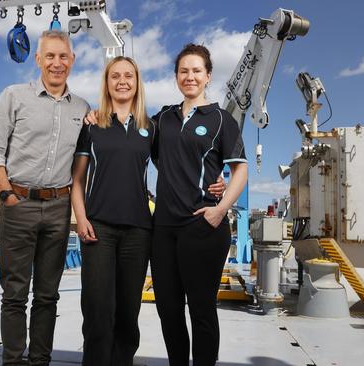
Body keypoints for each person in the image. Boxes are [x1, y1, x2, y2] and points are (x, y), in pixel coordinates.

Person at [75, 57, 225, 366]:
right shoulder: (92, 125)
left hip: (139, 232)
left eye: (129, 76)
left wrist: (215, 179)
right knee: (97, 311)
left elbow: (179, 160)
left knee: (128, 315)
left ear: (137, 82)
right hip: (98, 228)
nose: (122, 81)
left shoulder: (151, 127)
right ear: (106, 83)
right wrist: (81, 218)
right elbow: (76, 180)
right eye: (115, 76)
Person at [0, 30, 90, 366]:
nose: (57, 63)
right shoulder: (13, 96)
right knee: (14, 295)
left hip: (58, 209)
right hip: (19, 204)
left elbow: (82, 164)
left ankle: (40, 361)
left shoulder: (83, 108)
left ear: (72, 60)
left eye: (63, 57)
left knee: (47, 296)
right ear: (38, 59)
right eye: (50, 56)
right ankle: (13, 361)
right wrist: (7, 196)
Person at [150, 44, 248, 366]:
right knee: (168, 309)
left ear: (207, 76)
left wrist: (220, 210)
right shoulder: (162, 118)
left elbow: (240, 169)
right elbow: (129, 131)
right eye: (183, 71)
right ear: (177, 77)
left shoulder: (221, 120)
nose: (189, 76)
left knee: (202, 309)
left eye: (196, 71)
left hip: (203, 225)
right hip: (163, 229)